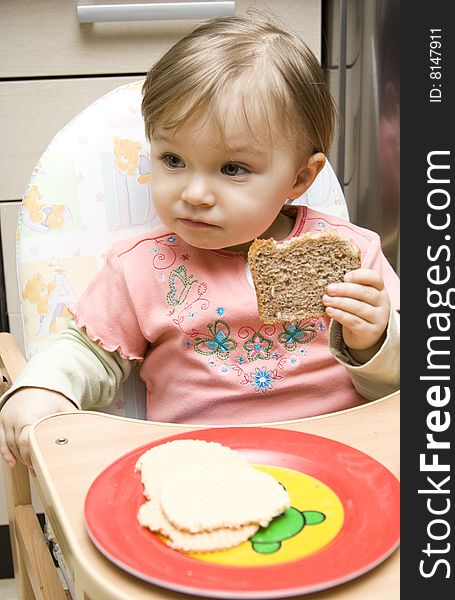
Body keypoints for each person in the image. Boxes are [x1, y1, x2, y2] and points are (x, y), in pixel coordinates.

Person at [0, 14, 400, 469]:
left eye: (232, 168)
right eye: (173, 159)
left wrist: (375, 341)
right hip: (198, 469)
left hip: (339, 464)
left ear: (301, 177)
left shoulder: (355, 258)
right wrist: (43, 388)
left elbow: (404, 387)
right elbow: (87, 352)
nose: (193, 193)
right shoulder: (141, 268)